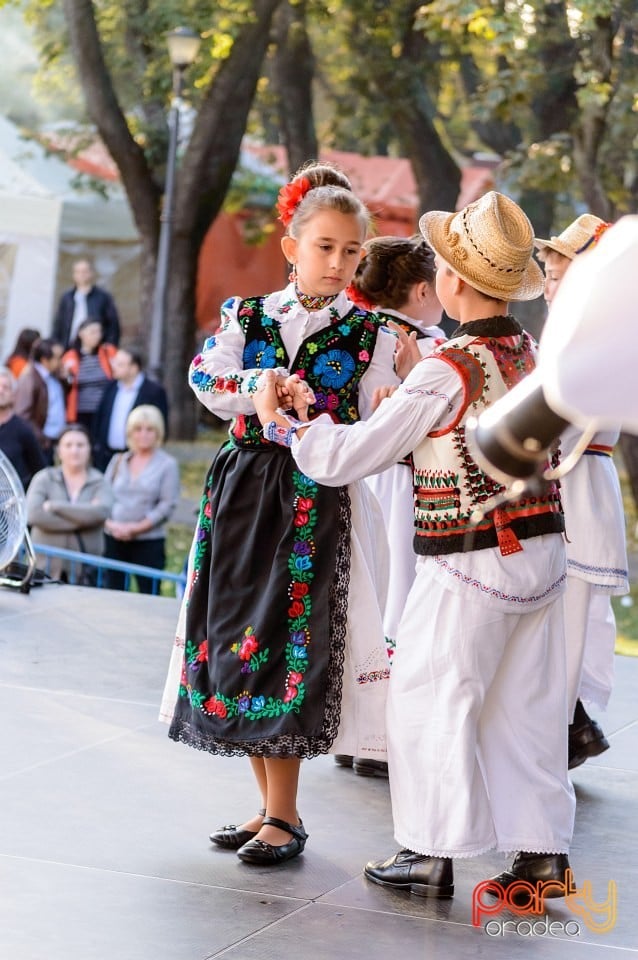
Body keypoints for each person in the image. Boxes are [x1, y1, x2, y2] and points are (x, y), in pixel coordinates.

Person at [252, 191, 576, 898]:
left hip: (470, 561)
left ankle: (429, 850)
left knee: (430, 698)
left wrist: (290, 427)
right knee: (528, 707)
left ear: (454, 282)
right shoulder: (527, 352)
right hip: (543, 551)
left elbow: (350, 456)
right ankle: (540, 852)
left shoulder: (446, 367)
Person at [161, 160, 397, 867]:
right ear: (292, 245)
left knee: (289, 641)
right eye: (324, 247)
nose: (338, 262)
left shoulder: (374, 335)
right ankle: (268, 808)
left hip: (313, 502)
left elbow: (378, 416)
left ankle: (287, 816)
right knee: (236, 636)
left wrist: (358, 407)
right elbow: (206, 378)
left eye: (351, 250)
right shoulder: (249, 315)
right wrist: (260, 383)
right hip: (241, 493)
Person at [335, 234, 445, 778]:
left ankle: (351, 729)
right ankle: (383, 739)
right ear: (424, 290)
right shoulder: (428, 348)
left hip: (361, 479)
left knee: (366, 597)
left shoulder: (354, 333)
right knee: (400, 599)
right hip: (407, 486)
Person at [535, 214, 629, 768]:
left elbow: (559, 422)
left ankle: (559, 733)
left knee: (566, 623)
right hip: (566, 481)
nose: (550, 288)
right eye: (548, 276)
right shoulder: (572, 339)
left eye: (560, 276)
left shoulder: (596, 343)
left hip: (575, 483)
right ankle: (569, 726)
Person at [103, 404, 179, 594]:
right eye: (138, 429)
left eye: (149, 429)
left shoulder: (167, 465)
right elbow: (103, 496)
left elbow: (166, 505)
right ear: (130, 432)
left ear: (158, 433)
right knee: (112, 595)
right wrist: (112, 526)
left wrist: (135, 529)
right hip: (113, 540)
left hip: (148, 542)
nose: (143, 434)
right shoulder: (118, 460)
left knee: (149, 596)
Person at [25, 424, 113, 583]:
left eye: (80, 445)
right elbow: (33, 514)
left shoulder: (99, 481)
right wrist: (84, 519)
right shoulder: (44, 478)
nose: (75, 450)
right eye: (68, 445)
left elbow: (101, 512)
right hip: (44, 570)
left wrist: (56, 506)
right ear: (58, 449)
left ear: (89, 448)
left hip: (85, 573)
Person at [91, 347, 169, 471]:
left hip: (138, 457)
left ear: (134, 368)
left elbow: (159, 424)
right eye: (114, 363)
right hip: (106, 456)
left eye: (120, 364)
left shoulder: (153, 391)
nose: (114, 367)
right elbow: (100, 418)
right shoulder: (110, 387)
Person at [14, 338, 67, 464]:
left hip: (53, 441)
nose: (61, 362)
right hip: (42, 444)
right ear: (44, 360)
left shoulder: (53, 376)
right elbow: (23, 415)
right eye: (58, 358)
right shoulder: (31, 378)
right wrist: (43, 440)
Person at [52, 259, 120, 350]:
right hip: (68, 346)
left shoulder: (103, 297)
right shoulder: (67, 297)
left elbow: (113, 324)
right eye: (78, 272)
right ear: (74, 275)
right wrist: (56, 344)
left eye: (85, 271)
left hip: (96, 349)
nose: (81, 275)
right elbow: (59, 324)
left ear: (91, 273)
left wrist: (109, 345)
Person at [62, 318, 117, 432]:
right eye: (92, 332)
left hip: (104, 409)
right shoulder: (71, 356)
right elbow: (67, 383)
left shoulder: (108, 352)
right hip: (80, 410)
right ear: (81, 333)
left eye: (99, 332)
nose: (97, 336)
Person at [0, 366, 46, 490]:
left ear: (13, 395)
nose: (1, 391)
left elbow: (40, 470)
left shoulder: (23, 430)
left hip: (13, 502)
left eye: (6, 387)